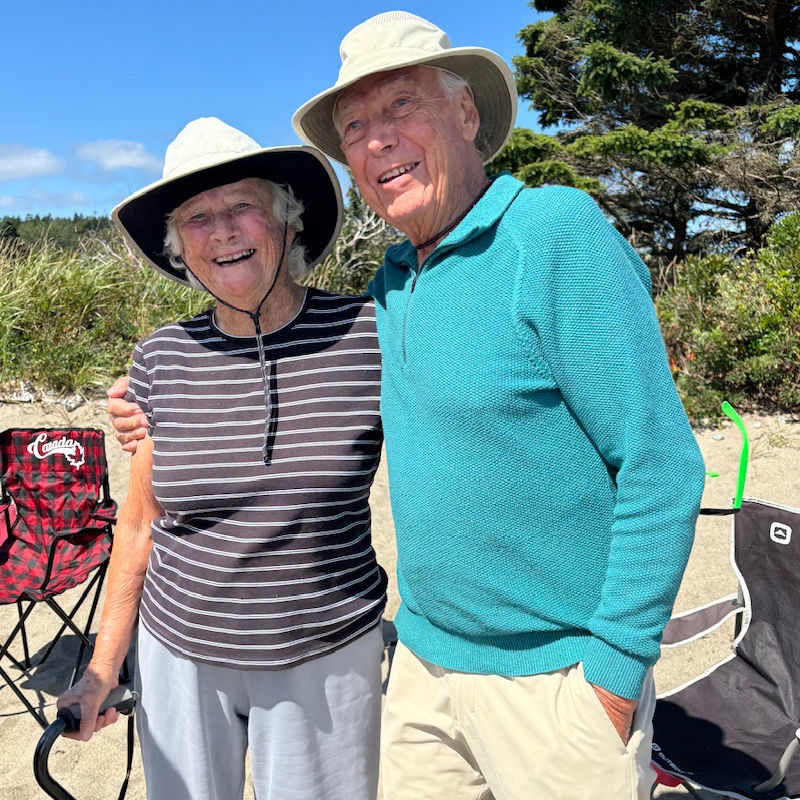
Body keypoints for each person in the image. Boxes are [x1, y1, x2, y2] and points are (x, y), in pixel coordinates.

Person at [110, 11, 707, 800]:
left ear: (465, 114)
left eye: (401, 108)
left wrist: (615, 671)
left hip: (555, 676)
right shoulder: (390, 288)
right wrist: (145, 408)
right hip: (422, 668)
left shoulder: (552, 233)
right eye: (355, 125)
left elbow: (660, 465)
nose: (378, 139)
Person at [59, 117, 387, 800]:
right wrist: (101, 668)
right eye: (199, 218)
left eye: (243, 206)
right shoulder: (159, 357)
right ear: (181, 248)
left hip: (325, 652)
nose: (224, 230)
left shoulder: (368, 336)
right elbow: (140, 524)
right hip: (179, 653)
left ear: (288, 222)